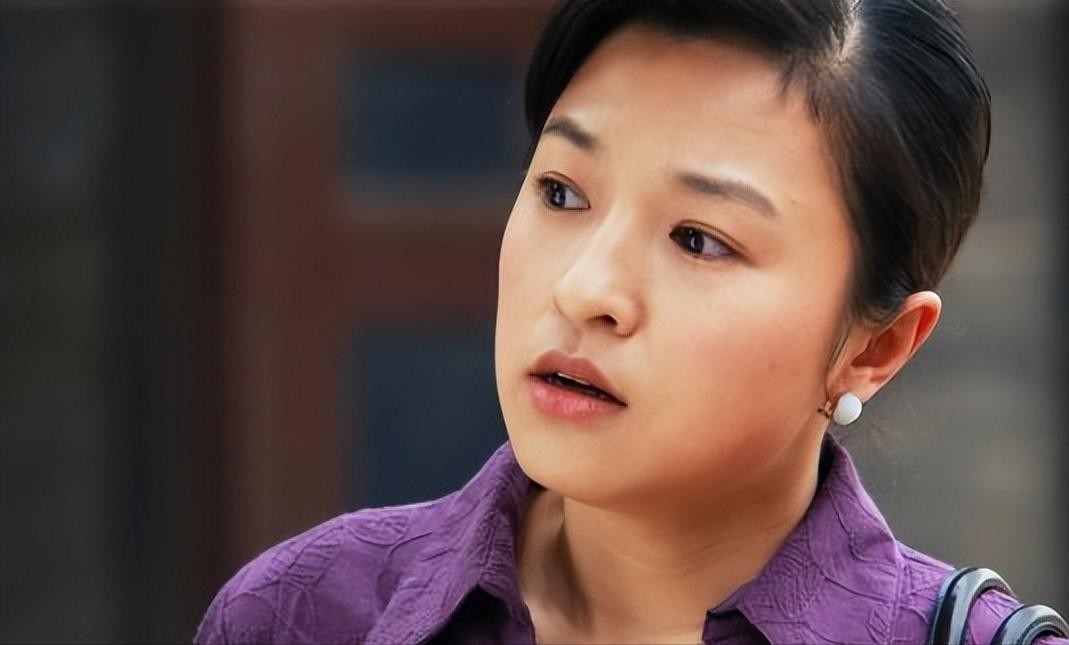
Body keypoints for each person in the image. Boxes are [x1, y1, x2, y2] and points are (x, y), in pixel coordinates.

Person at [194, 1, 1067, 643]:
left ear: (873, 347)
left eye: (699, 239)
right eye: (560, 191)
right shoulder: (304, 613)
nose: (585, 288)